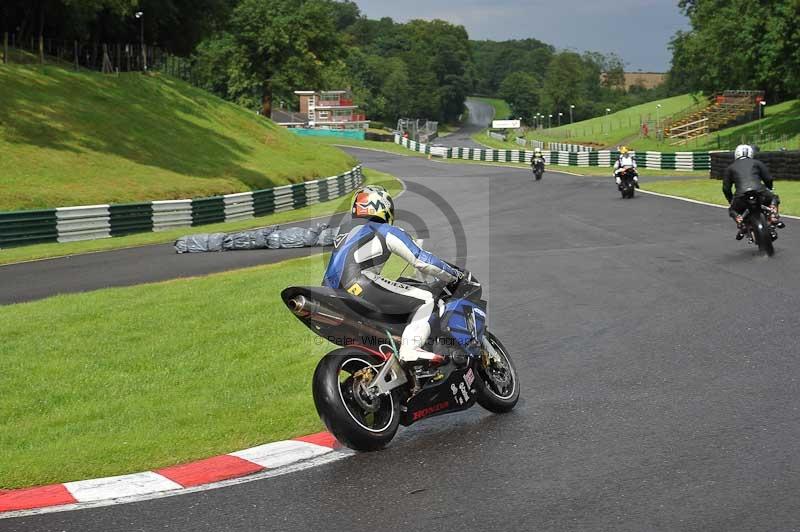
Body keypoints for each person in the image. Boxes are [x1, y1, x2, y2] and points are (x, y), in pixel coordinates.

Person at [322, 186, 461, 366]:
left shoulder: (344, 232)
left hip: (330, 293)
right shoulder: (384, 229)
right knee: (427, 299)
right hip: (359, 285)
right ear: (384, 207)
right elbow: (421, 260)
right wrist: (453, 274)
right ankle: (411, 350)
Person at [723, 144, 785, 240]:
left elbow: (726, 188)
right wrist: (770, 188)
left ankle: (740, 222)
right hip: (760, 191)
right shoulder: (757, 163)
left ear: (736, 154)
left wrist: (730, 200)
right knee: (773, 198)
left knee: (732, 209)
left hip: (741, 195)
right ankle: (773, 214)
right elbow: (768, 178)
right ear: (751, 153)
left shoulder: (730, 168)